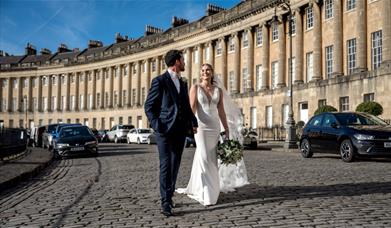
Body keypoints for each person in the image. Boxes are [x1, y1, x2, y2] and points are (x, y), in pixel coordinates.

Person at [176, 63, 249, 206]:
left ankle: (211, 189)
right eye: (203, 70)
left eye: (207, 70)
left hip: (214, 128)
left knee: (212, 159)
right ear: (200, 73)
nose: (205, 72)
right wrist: (189, 126)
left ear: (212, 72)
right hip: (201, 128)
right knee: (203, 157)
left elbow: (221, 110)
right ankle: (206, 193)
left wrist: (226, 128)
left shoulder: (218, 90)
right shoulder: (195, 88)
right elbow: (192, 108)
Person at [144, 50, 198, 217]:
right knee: (166, 165)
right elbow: (149, 106)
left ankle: (169, 194)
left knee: (175, 166)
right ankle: (165, 201)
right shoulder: (160, 81)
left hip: (180, 130)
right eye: (183, 60)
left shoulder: (182, 83)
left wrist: (193, 123)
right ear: (176, 62)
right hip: (164, 131)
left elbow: (186, 106)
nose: (184, 62)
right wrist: (157, 125)